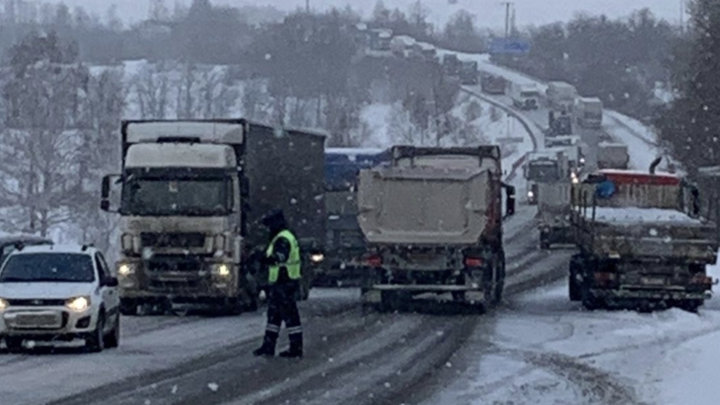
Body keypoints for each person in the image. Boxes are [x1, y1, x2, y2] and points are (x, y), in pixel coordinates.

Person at [253, 209, 304, 358]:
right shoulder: (284, 236)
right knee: (274, 316)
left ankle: (295, 348)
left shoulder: (282, 239)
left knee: (290, 316)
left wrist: (262, 258)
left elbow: (279, 258)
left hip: (284, 282)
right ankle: (268, 346)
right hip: (282, 282)